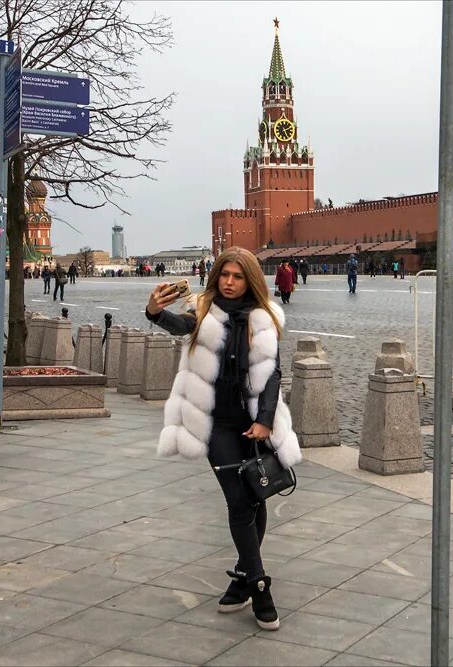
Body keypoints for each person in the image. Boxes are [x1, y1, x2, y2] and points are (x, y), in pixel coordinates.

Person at [145, 247, 301, 632]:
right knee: (238, 500)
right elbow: (179, 325)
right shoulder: (203, 311)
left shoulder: (263, 318)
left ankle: (243, 578)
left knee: (254, 496)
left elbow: (272, 375)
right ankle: (260, 584)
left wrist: (265, 421)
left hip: (253, 424)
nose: (229, 282)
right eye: (224, 275)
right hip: (216, 425)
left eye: (237, 276)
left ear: (249, 280)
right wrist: (153, 312)